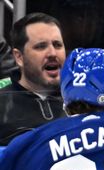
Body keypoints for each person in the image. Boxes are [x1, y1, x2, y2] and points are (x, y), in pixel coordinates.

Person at [0, 13, 67, 144]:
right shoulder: (2, 104)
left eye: (57, 45)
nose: (52, 53)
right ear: (19, 57)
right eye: (41, 46)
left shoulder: (83, 101)